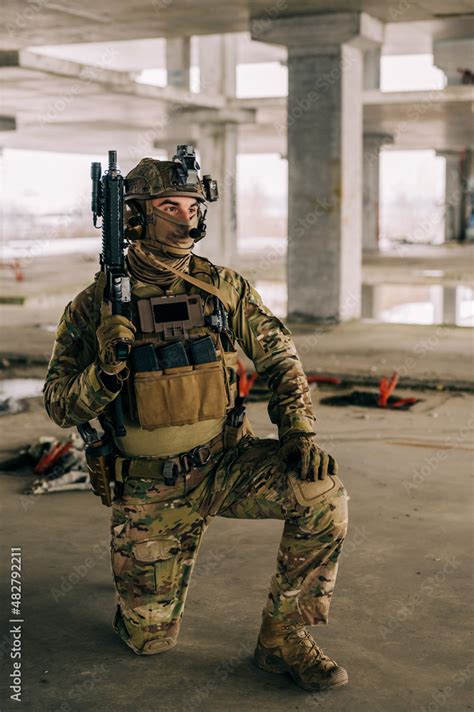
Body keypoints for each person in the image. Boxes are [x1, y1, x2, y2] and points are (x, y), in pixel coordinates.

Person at [43, 148, 349, 693]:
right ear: (134, 216)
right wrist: (105, 371)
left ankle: (284, 639)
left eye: (191, 204)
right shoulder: (93, 307)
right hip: (148, 484)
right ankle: (139, 587)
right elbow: (59, 404)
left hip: (227, 462)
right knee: (149, 641)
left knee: (321, 493)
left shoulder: (224, 287)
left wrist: (299, 431)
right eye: (170, 205)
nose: (186, 217)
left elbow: (280, 356)